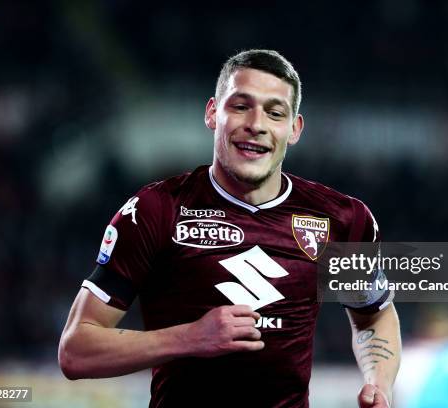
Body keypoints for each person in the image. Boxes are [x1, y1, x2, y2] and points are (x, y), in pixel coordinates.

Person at [58, 49, 401, 408]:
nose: (256, 123)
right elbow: (76, 350)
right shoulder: (157, 210)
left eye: (275, 112)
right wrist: (190, 337)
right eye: (240, 106)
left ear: (294, 129)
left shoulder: (343, 220)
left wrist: (379, 383)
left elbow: (373, 315)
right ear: (212, 113)